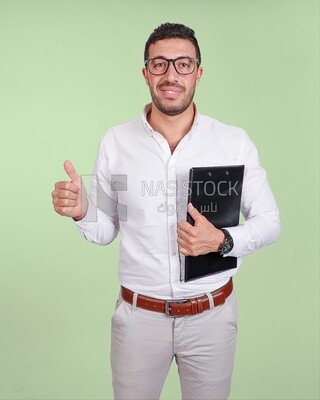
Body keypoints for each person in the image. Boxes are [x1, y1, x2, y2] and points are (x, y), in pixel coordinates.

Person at [52, 22, 280, 400]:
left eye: (183, 64)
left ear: (198, 73)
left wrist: (222, 240)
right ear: (145, 73)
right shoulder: (117, 142)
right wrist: (82, 211)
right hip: (139, 320)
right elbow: (105, 229)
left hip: (212, 317)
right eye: (159, 64)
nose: (171, 74)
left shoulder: (233, 142)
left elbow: (270, 222)